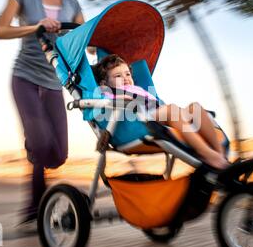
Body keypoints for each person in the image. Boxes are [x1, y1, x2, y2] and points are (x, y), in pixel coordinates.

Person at [0, 0, 84, 224]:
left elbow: (86, 41)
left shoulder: (73, 5)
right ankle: (38, 206)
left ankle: (33, 149)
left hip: (53, 83)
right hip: (24, 79)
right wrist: (36, 27)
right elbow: (0, 29)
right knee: (42, 144)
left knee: (57, 156)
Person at [93, 54, 231, 170]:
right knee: (171, 110)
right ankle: (206, 153)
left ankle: (220, 154)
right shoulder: (109, 93)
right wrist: (119, 96)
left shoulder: (138, 89)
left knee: (195, 107)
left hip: (160, 113)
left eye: (127, 74)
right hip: (143, 120)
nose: (125, 78)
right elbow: (105, 100)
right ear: (105, 83)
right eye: (118, 76)